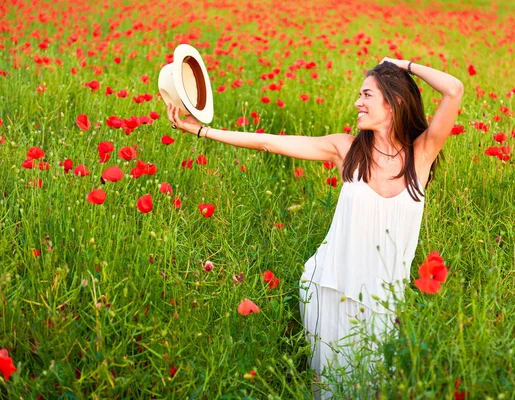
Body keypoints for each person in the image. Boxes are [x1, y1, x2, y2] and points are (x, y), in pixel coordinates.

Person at [167, 58, 463, 397]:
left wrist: (403, 64)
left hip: (384, 302)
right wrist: (202, 130)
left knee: (378, 389)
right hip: (329, 288)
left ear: (394, 101)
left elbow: (454, 89)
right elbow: (269, 142)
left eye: (367, 95)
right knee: (330, 389)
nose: (358, 102)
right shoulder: (346, 149)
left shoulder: (420, 156)